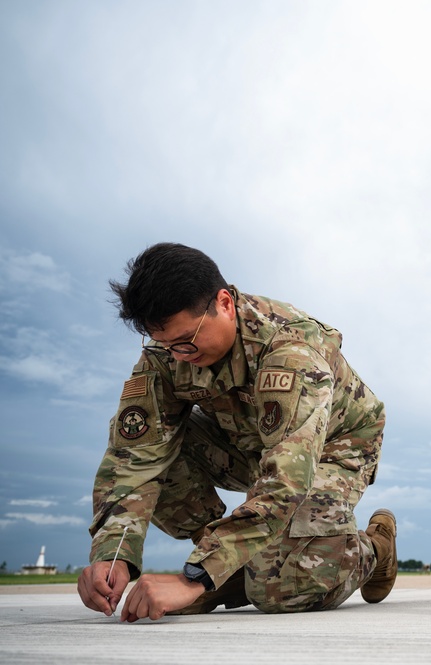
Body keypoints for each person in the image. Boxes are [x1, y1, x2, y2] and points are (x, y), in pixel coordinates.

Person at [76, 243, 397, 622]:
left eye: (185, 340)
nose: (177, 356)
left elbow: (285, 483)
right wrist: (112, 554)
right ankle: (230, 566)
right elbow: (135, 458)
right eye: (163, 344)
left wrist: (195, 578)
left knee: (279, 589)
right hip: (250, 443)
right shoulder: (168, 352)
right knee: (155, 443)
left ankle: (375, 548)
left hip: (333, 447)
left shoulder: (290, 351)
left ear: (224, 304)